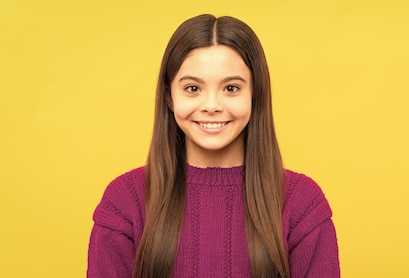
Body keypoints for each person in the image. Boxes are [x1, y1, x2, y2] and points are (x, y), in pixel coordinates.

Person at [87, 14, 340, 278]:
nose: (211, 105)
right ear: (169, 96)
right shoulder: (125, 202)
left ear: (256, 94)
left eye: (231, 88)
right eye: (193, 88)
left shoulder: (302, 204)